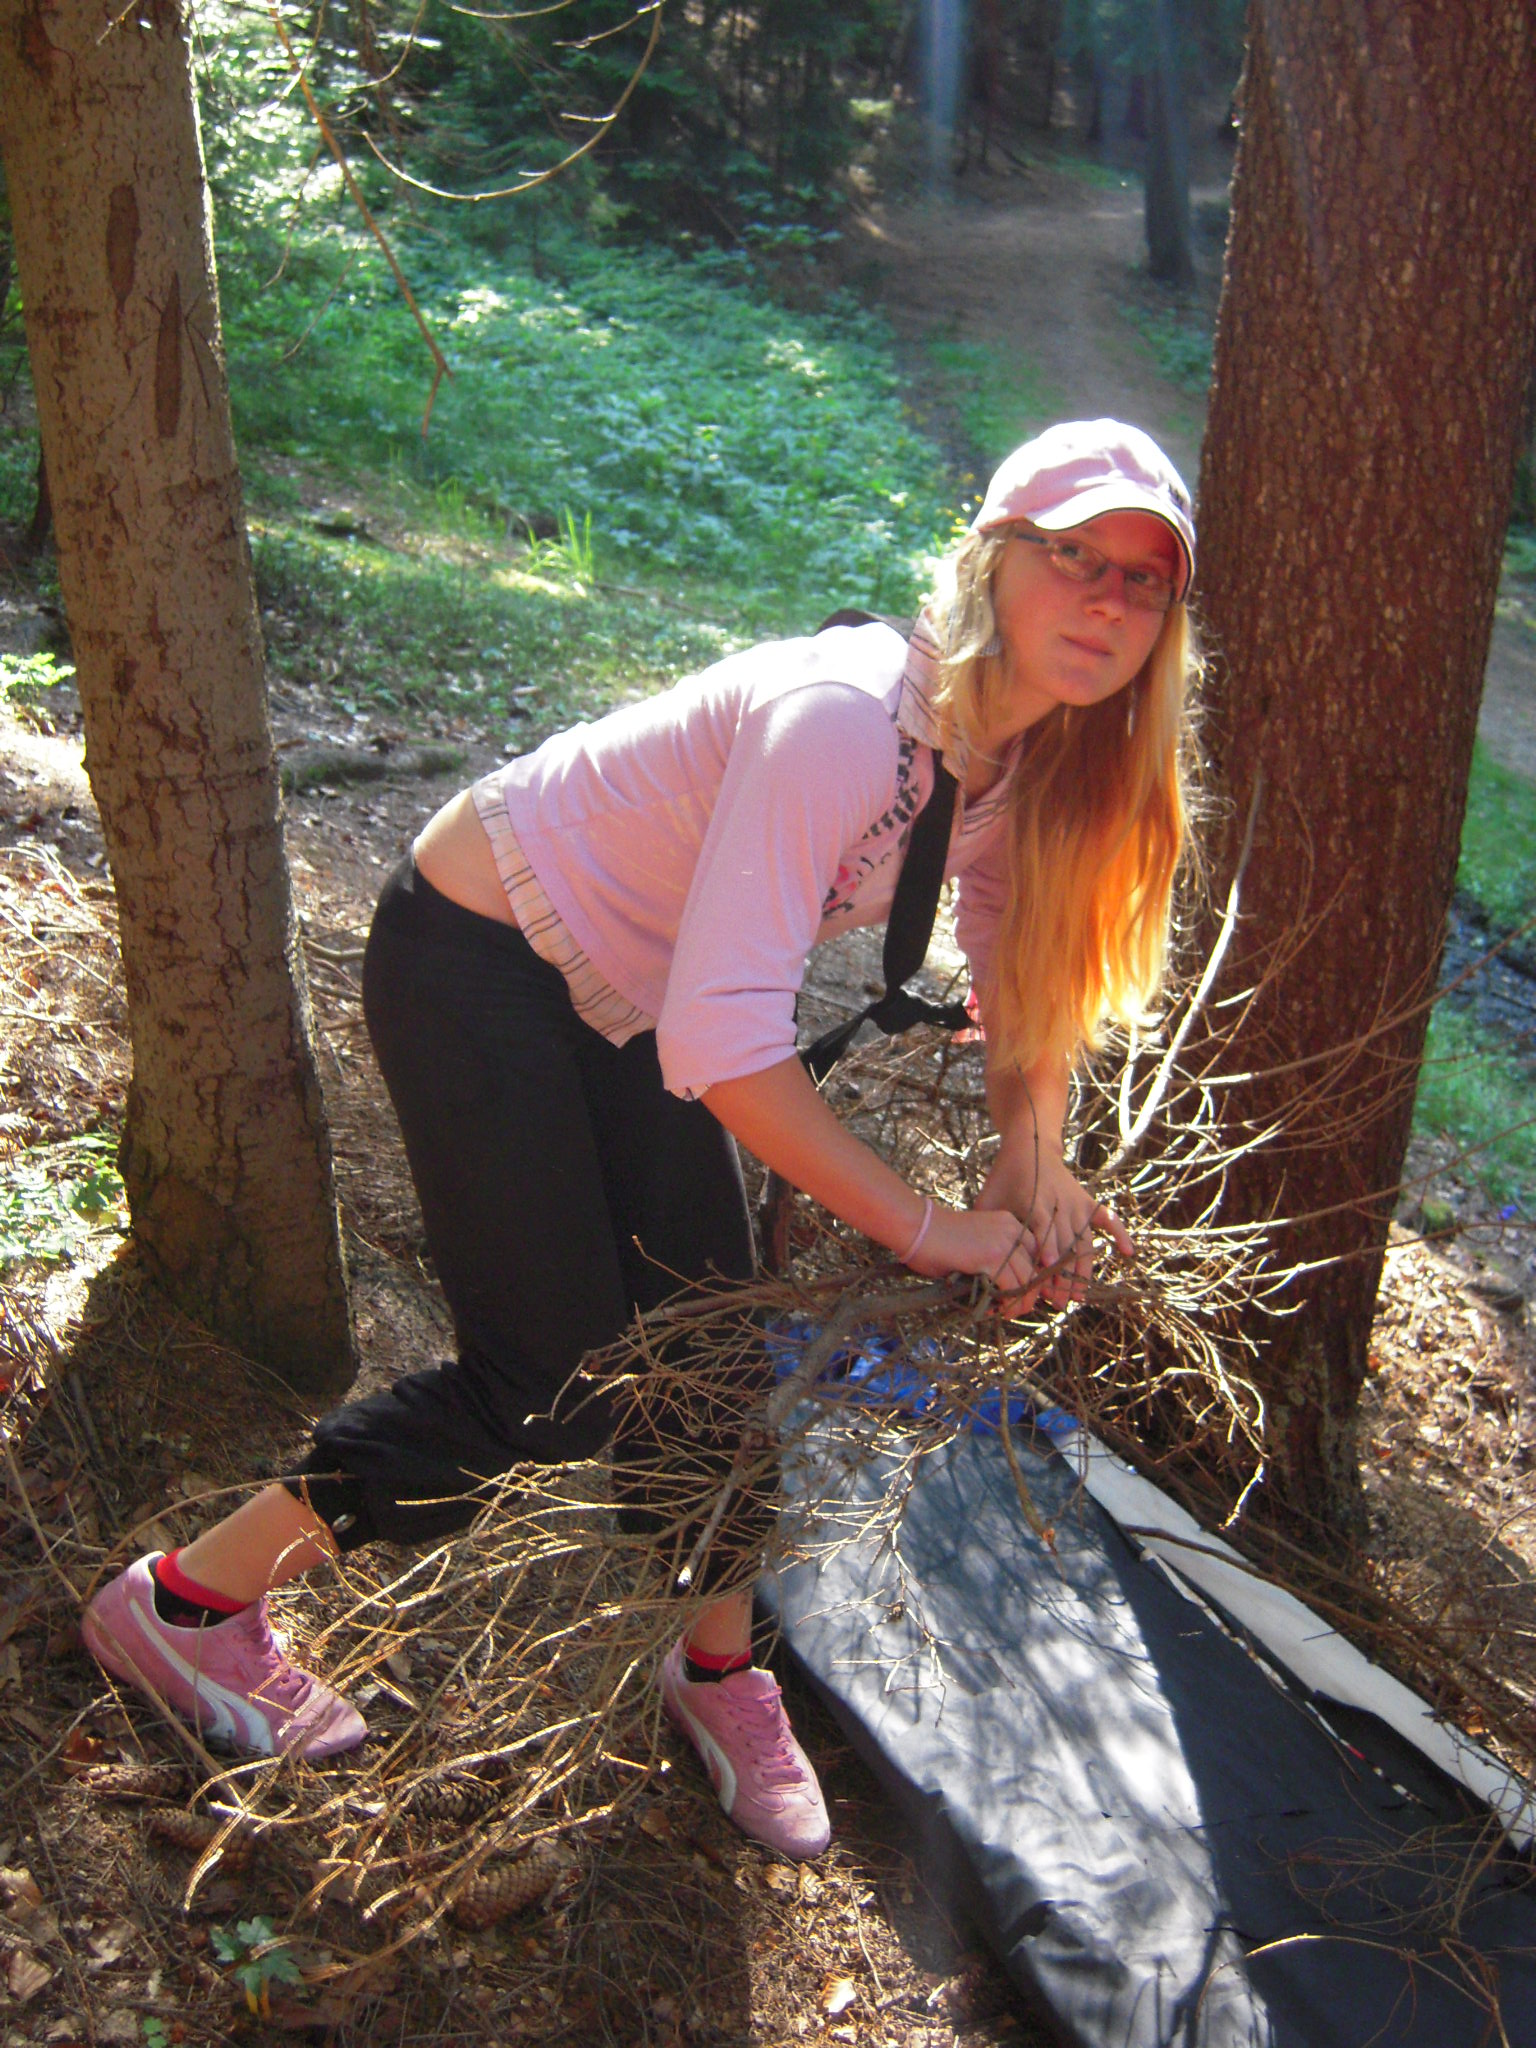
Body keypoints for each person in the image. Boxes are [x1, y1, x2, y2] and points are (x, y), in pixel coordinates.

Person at [83, 419, 1200, 1862]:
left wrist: (1034, 1167)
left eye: (1144, 580)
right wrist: (930, 1231)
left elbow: (1029, 993)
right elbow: (726, 1047)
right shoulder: (844, 723)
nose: (1107, 600)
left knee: (713, 1345)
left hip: (639, 999)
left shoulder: (1033, 764)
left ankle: (718, 1671)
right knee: (552, 1385)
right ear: (993, 561)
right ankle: (185, 1604)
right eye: (1075, 556)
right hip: (483, 952)